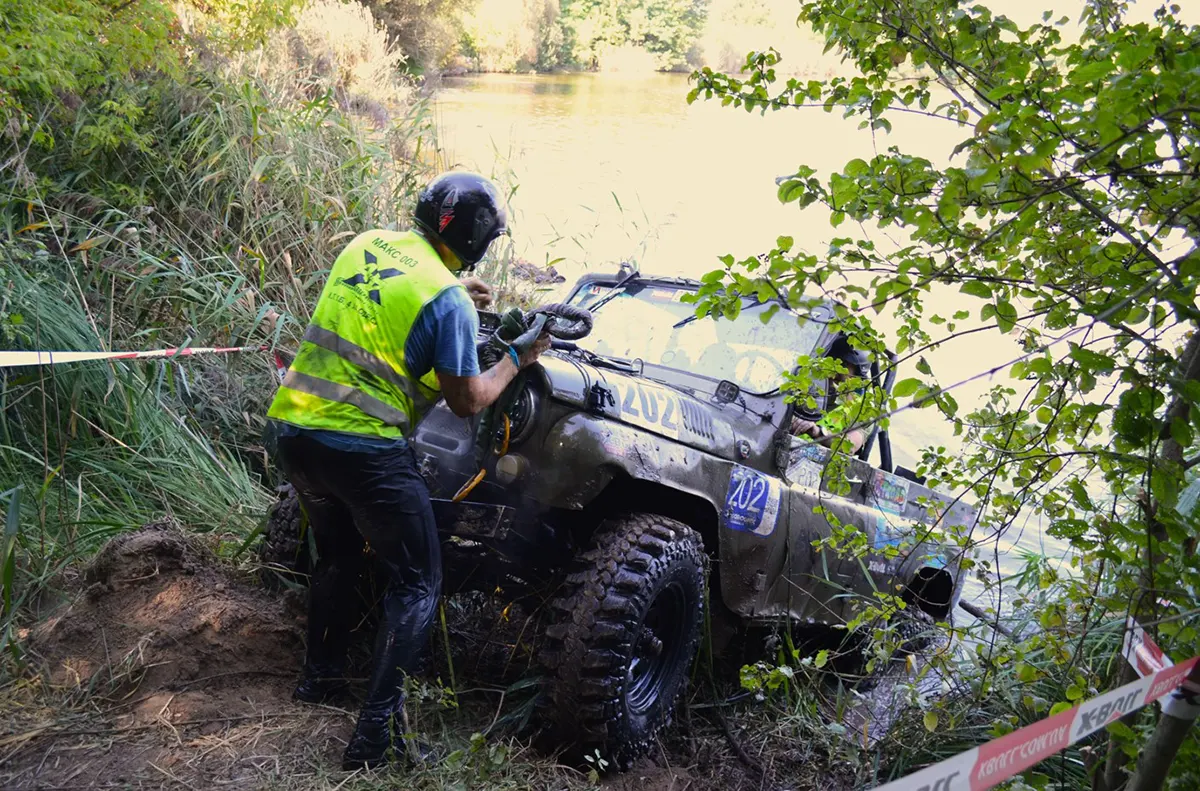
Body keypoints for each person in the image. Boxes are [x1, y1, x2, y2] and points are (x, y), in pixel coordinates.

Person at [265, 171, 550, 771]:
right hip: (361, 451)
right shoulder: (448, 303)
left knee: (338, 556)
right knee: (418, 582)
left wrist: (453, 298)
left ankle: (319, 682)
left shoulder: (365, 243)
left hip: (292, 431)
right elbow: (470, 400)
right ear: (476, 239)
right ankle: (376, 738)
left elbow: (393, 304)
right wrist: (519, 359)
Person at [789, 336, 873, 454]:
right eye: (832, 362)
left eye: (843, 365)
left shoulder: (863, 409)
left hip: (815, 466)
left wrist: (817, 432)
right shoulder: (806, 386)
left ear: (857, 376)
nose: (834, 371)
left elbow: (849, 447)